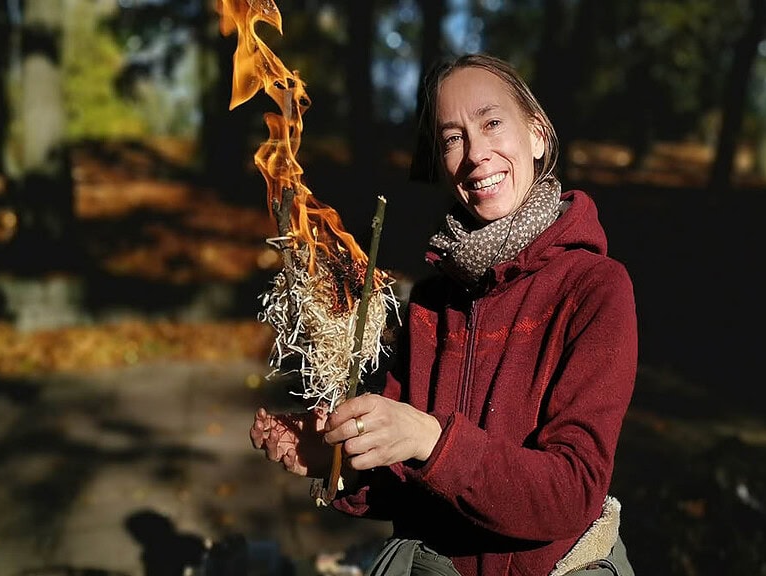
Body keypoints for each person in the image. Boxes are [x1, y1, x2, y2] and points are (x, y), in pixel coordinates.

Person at [250, 53, 638, 576]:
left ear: (539, 135)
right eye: (452, 138)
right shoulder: (433, 301)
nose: (475, 153)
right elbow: (410, 484)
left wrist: (430, 439)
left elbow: (572, 493)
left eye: (492, 122)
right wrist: (339, 459)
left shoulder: (593, 288)